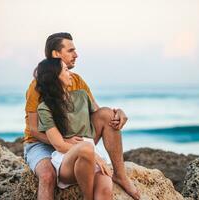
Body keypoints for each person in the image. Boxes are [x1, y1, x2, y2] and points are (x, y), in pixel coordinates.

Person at [23, 32, 140, 200]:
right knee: (48, 176)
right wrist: (64, 142)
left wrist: (117, 113)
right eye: (70, 50)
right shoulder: (37, 87)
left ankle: (120, 175)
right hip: (40, 142)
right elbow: (34, 130)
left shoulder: (77, 81)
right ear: (57, 55)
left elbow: (99, 113)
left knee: (108, 116)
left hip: (74, 138)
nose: (76, 55)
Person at [35, 58, 113, 200]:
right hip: (67, 160)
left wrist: (116, 113)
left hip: (90, 155)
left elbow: (102, 115)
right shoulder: (45, 107)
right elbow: (58, 144)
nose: (70, 73)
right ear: (55, 77)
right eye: (65, 70)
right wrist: (95, 156)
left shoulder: (82, 95)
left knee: (106, 190)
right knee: (86, 148)